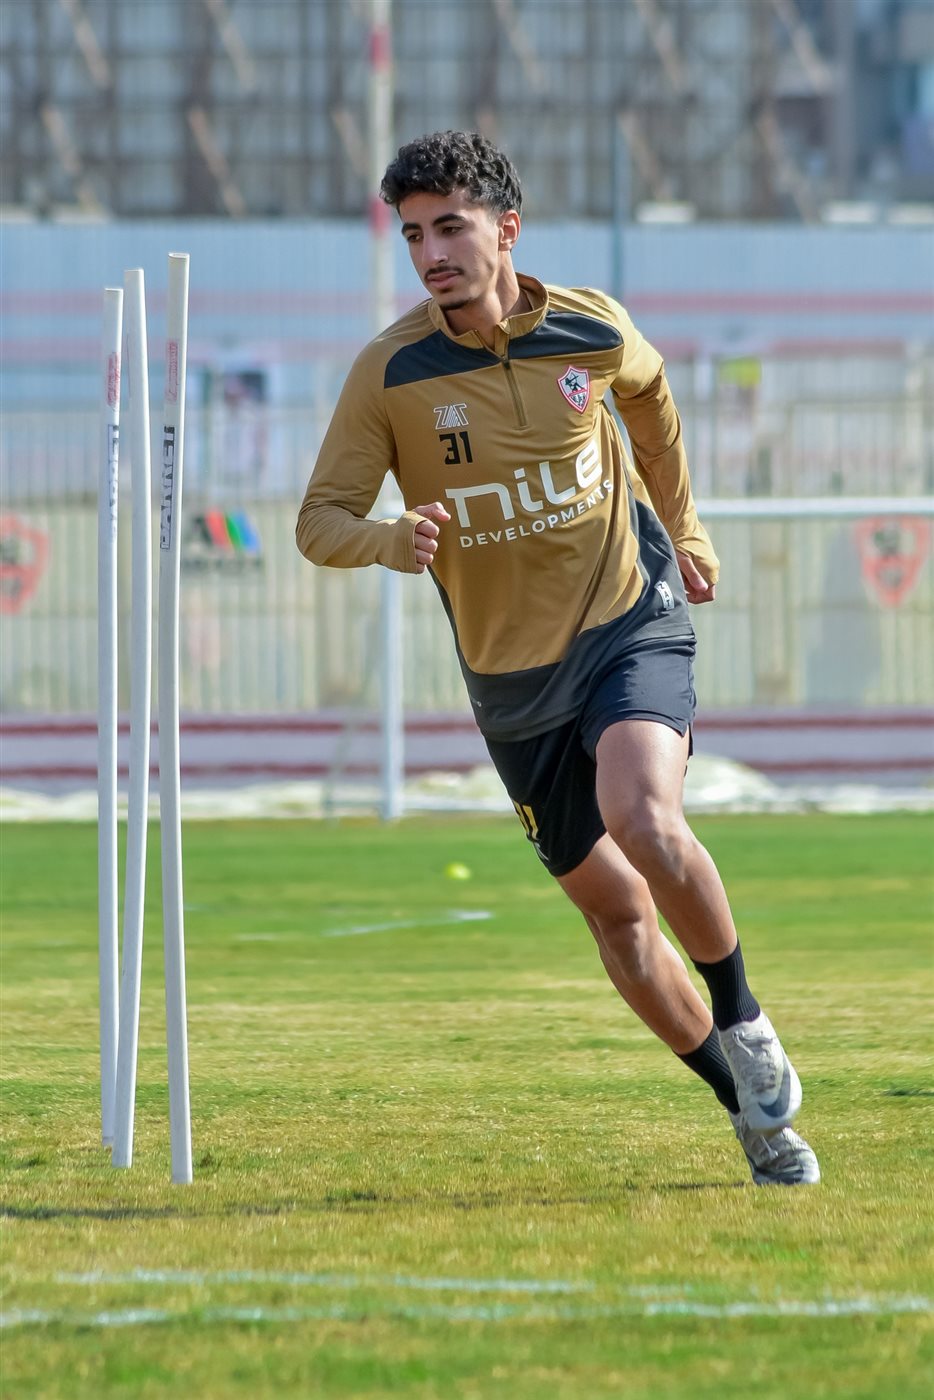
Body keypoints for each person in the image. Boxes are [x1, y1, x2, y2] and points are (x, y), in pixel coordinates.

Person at [296, 130, 818, 1187]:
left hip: (628, 615)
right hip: (512, 682)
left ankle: (744, 1015)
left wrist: (687, 527)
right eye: (412, 235)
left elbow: (653, 400)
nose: (430, 253)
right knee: (618, 919)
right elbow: (319, 521)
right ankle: (747, 1111)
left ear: (506, 229)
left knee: (644, 814)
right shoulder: (390, 373)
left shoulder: (588, 327)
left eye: (449, 227)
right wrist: (390, 539)